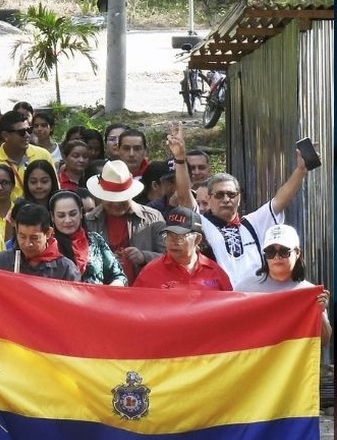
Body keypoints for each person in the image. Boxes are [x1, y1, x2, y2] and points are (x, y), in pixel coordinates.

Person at [171, 125, 313, 287]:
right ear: (208, 199)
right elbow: (183, 197)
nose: (226, 199)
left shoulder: (252, 223)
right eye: (219, 195)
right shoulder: (201, 223)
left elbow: (280, 199)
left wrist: (301, 170)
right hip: (219, 300)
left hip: (254, 298)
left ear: (239, 198)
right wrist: (180, 159)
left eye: (231, 194)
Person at [235, 224, 331, 343]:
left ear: (297, 252)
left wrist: (319, 311)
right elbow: (231, 331)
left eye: (284, 251)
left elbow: (324, 341)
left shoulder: (309, 293)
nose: (276, 257)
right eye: (270, 252)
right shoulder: (244, 288)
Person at [85, 160, 166, 280]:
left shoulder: (153, 218)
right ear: (100, 197)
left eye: (121, 199)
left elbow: (170, 259)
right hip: (103, 292)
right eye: (111, 199)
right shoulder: (88, 221)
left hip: (143, 291)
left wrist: (144, 256)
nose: (116, 204)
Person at [133, 207, 232, 291]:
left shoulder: (215, 272)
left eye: (180, 236)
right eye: (169, 235)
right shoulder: (150, 273)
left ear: (197, 239)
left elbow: (229, 308)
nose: (173, 242)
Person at [0, 202, 80, 280]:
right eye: (22, 237)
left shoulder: (65, 269)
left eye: (34, 238)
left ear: (48, 233)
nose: (28, 244)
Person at [50, 190, 126, 285]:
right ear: (52, 217)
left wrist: (114, 285)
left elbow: (118, 275)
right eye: (61, 216)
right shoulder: (48, 245)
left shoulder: (95, 240)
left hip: (98, 298)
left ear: (81, 213)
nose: (68, 220)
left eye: (73, 214)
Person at [0, 110, 54, 202]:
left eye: (29, 130)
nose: (27, 135)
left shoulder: (43, 155)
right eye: (22, 132)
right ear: (6, 135)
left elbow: (54, 189)